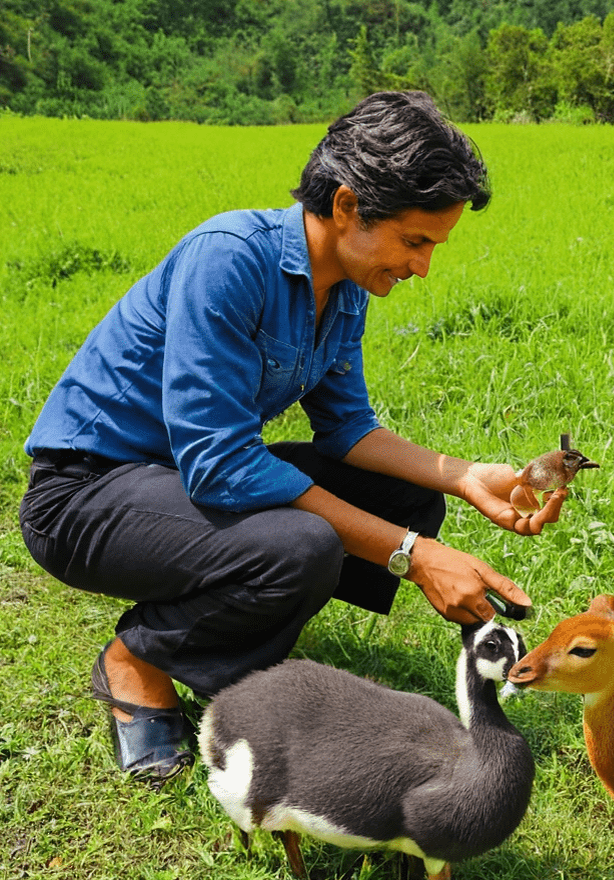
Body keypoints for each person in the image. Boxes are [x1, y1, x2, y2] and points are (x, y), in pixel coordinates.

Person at [19, 91, 566, 780]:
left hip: (183, 478)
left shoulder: (347, 286)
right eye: (415, 241)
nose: (424, 266)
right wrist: (411, 555)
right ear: (346, 206)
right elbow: (220, 465)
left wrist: (463, 476)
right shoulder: (229, 259)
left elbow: (346, 427)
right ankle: (139, 660)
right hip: (86, 495)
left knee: (404, 498)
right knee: (304, 545)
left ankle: (236, 645)